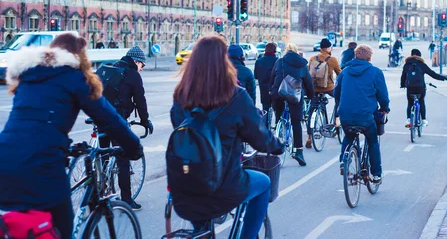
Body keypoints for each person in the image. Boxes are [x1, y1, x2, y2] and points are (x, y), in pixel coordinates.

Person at [0, 33, 142, 238]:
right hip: (43, 164)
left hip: (5, 157)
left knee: (20, 228)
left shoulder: (29, 75)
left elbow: (34, 123)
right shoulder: (75, 78)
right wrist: (133, 147)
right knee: (63, 230)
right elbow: (108, 118)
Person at [170, 36, 283, 238]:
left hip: (183, 189)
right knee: (264, 183)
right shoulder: (235, 95)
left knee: (201, 226)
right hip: (222, 187)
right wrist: (277, 146)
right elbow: (259, 137)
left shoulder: (181, 95)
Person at [100, 45, 152, 210]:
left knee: (103, 156)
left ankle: (101, 193)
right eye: (142, 65)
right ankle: (127, 200)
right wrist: (145, 121)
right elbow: (140, 101)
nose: (142, 69)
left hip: (99, 116)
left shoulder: (112, 68)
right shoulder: (133, 75)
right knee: (122, 159)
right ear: (136, 61)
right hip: (117, 120)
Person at [334, 45, 390, 183]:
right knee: (372, 141)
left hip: (346, 115)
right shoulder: (375, 72)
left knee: (349, 135)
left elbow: (336, 93)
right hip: (365, 117)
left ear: (355, 56)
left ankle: (343, 162)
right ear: (370, 58)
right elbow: (382, 94)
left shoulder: (344, 72)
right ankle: (377, 174)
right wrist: (384, 108)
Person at [270, 43, 315, 166]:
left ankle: (279, 129)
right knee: (296, 122)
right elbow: (308, 82)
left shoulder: (280, 61)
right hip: (294, 94)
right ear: (296, 52)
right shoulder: (302, 64)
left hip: (278, 92)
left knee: (278, 113)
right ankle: (298, 151)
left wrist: (272, 89)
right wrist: (311, 95)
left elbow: (272, 76)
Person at [401, 49, 447, 127]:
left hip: (410, 88)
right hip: (420, 88)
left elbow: (403, 77)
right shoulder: (422, 65)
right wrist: (444, 78)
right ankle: (424, 120)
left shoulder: (407, 65)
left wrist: (402, 85)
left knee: (410, 103)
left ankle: (408, 120)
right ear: (419, 56)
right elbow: (433, 74)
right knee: (421, 102)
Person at [306, 38, 342, 149]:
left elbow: (308, 73)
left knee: (312, 110)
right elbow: (340, 74)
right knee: (339, 99)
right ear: (328, 48)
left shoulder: (312, 58)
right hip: (328, 88)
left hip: (315, 89)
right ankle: (336, 121)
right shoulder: (332, 60)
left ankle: (309, 137)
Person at [254, 42, 278, 112]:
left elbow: (256, 76)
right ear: (275, 50)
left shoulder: (259, 61)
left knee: (265, 109)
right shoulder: (277, 61)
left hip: (263, 89)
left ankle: (265, 122)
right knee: (277, 110)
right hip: (275, 89)